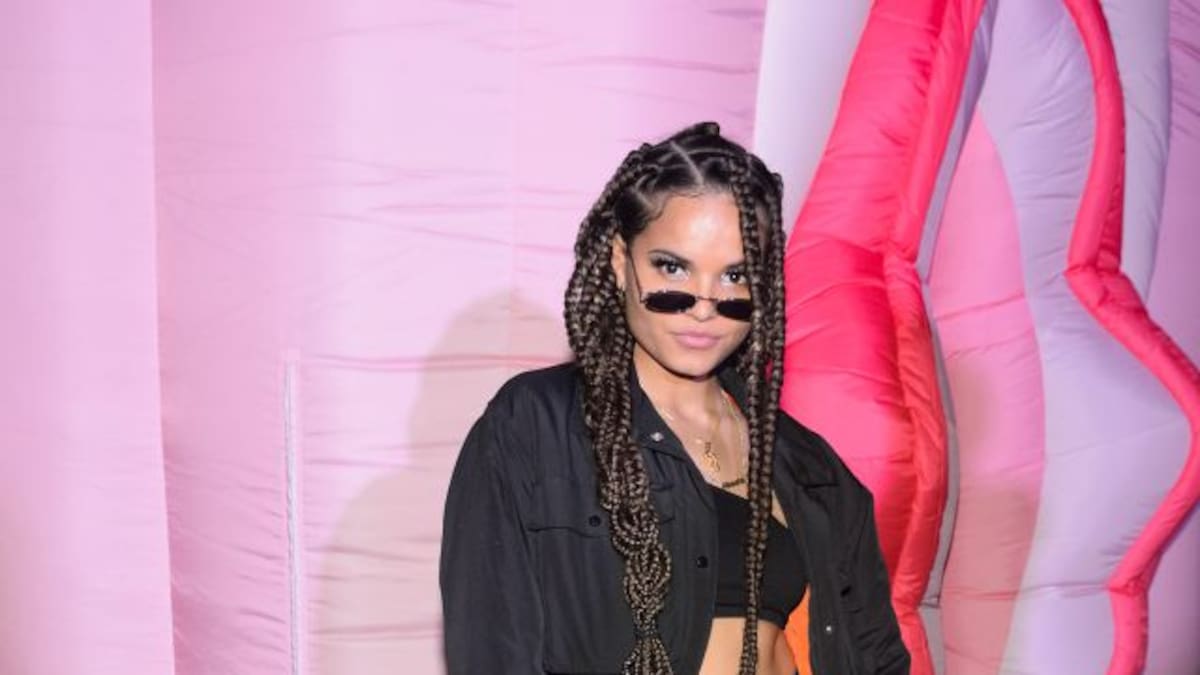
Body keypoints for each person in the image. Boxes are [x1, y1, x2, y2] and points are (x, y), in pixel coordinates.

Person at [439, 121, 909, 675]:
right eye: (673, 267)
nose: (704, 306)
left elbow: (875, 655)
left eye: (735, 276)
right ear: (621, 262)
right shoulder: (536, 426)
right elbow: (492, 648)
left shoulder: (809, 465)